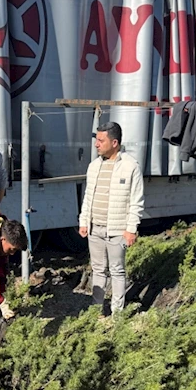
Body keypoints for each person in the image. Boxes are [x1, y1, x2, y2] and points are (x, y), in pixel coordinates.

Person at [78, 121, 144, 315]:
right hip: (94, 228)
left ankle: (117, 314)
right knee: (97, 270)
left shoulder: (131, 166)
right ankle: (95, 311)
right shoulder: (94, 166)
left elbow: (136, 200)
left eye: (101, 140)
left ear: (114, 142)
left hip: (116, 230)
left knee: (117, 271)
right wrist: (84, 221)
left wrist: (131, 228)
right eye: (96, 140)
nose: (96, 144)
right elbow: (88, 196)